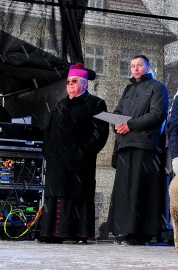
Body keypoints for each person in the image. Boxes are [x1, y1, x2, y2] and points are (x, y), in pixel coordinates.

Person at [39, 63, 109, 244]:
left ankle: (77, 234)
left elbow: (101, 132)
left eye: (74, 81)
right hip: (56, 162)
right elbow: (48, 129)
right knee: (55, 195)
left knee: (76, 195)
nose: (69, 84)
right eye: (68, 82)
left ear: (85, 84)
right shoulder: (60, 104)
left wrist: (85, 151)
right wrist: (47, 149)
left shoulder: (97, 103)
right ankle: (51, 234)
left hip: (79, 162)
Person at [108, 55, 168, 245]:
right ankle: (122, 230)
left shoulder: (157, 87)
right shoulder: (128, 88)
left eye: (139, 65)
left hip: (144, 145)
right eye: (132, 65)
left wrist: (130, 125)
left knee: (139, 189)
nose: (135, 68)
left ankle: (138, 233)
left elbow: (158, 114)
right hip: (125, 144)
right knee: (123, 190)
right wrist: (117, 124)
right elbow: (118, 112)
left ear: (148, 67)